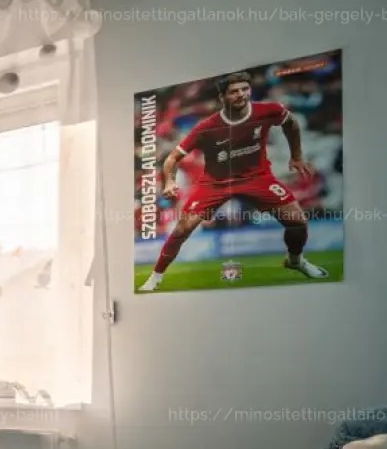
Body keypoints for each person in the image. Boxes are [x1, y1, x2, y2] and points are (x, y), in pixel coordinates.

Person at [140, 71, 327, 292]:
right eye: (234, 91)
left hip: (257, 178)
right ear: (223, 97)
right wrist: (170, 182)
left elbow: (291, 123)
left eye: (244, 89)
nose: (240, 94)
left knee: (298, 222)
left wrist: (296, 156)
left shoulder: (268, 110)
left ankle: (295, 261)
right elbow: (172, 158)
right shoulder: (207, 126)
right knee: (182, 229)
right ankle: (155, 277)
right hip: (215, 184)